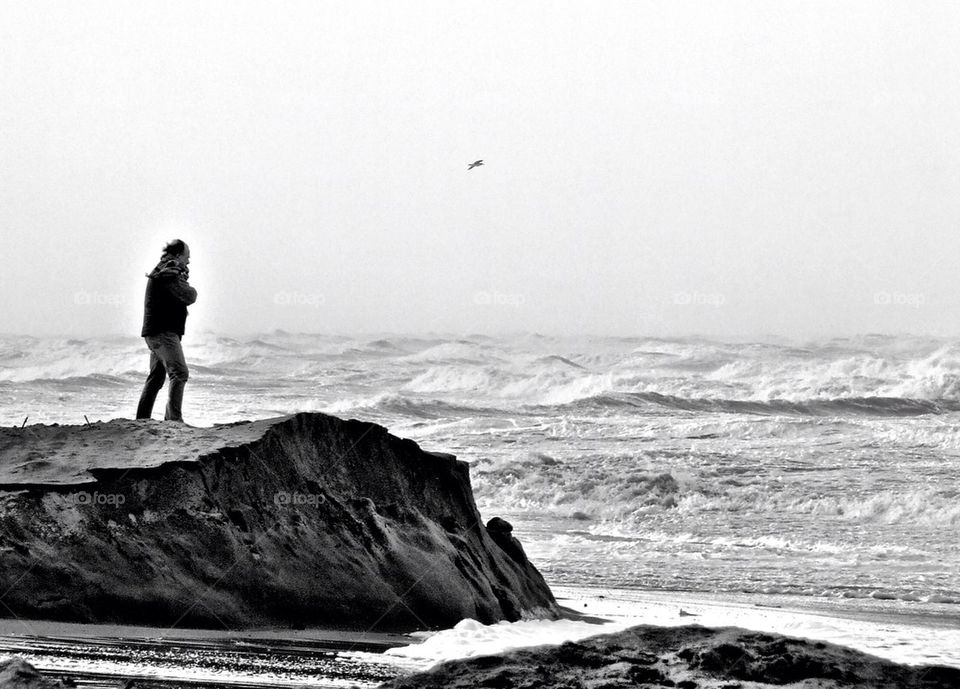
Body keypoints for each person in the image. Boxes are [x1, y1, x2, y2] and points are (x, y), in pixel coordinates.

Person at [136, 240, 198, 422]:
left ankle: (142, 420)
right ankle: (174, 421)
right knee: (180, 373)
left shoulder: (163, 269)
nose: (189, 262)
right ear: (178, 256)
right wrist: (192, 289)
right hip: (163, 333)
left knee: (156, 378)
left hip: (154, 332)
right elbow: (189, 296)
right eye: (187, 257)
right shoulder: (170, 272)